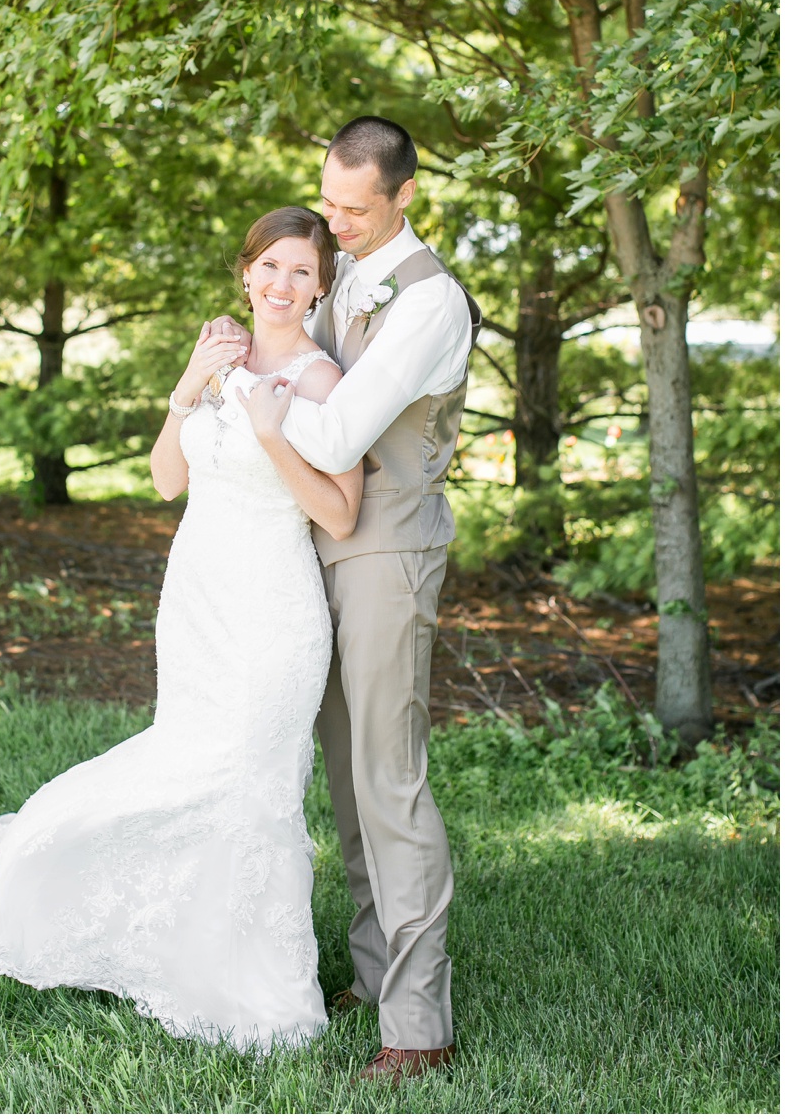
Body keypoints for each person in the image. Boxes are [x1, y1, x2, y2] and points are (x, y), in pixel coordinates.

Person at [0, 206, 360, 1053]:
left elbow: (342, 516)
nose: (283, 285)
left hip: (273, 609)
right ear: (245, 273)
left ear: (321, 288)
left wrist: (276, 437)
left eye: (302, 273)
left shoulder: (319, 382)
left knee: (248, 786)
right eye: (270, 267)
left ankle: (250, 981)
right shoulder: (219, 357)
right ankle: (141, 925)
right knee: (181, 756)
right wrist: (188, 385)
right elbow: (168, 478)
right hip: (197, 599)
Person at [240, 116, 479, 1083]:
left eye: (354, 210)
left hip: (387, 554)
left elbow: (336, 437)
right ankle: (375, 970)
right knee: (344, 776)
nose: (333, 226)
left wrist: (255, 396)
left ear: (404, 196)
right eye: (327, 203)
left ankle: (418, 1026)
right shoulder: (345, 274)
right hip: (318, 551)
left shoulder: (430, 303)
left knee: (390, 779)